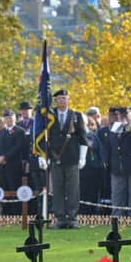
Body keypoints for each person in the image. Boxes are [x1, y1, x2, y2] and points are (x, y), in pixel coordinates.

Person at [41, 89, 87, 229]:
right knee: (57, 190)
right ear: (55, 101)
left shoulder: (76, 116)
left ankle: (72, 218)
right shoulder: (49, 116)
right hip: (55, 158)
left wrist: (82, 157)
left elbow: (83, 138)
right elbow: (43, 138)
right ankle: (60, 218)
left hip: (72, 158)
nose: (62, 101)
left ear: (68, 99)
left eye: (64, 98)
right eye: (59, 98)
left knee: (73, 190)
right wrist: (44, 156)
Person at [104, 107, 131, 217]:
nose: (121, 117)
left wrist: (130, 124)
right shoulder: (113, 129)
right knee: (117, 195)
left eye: (125, 114)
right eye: (119, 115)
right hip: (117, 167)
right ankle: (117, 218)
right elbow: (109, 147)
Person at [0, 109, 25, 215]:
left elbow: (17, 147)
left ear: (15, 119)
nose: (9, 120)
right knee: (4, 190)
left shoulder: (20, 131)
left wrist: (5, 157)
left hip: (13, 166)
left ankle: (16, 214)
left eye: (11, 118)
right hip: (2, 166)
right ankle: (6, 214)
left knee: (14, 190)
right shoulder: (2, 131)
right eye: (7, 118)